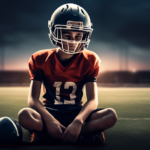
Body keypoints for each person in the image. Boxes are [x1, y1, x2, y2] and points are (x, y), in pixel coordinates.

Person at [18, 3, 117, 146]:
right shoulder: (40, 58)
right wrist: (49, 119)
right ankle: (82, 137)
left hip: (76, 111)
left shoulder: (90, 59)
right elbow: (33, 99)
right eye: (67, 35)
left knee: (110, 115)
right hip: (50, 111)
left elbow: (92, 100)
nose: (73, 41)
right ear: (54, 32)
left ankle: (49, 135)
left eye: (78, 36)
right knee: (24, 115)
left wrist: (78, 121)